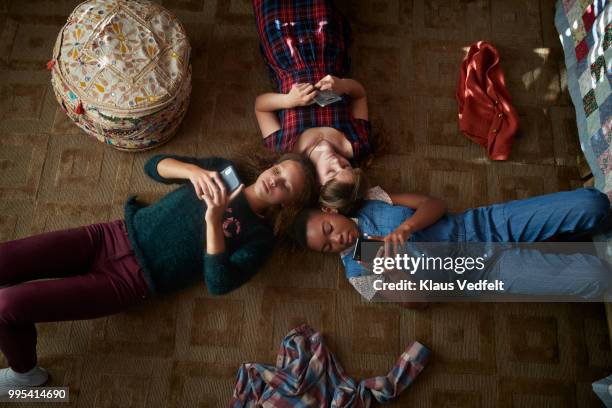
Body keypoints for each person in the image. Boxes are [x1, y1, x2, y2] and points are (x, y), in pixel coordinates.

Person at [0, 152, 317, 395]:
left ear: (289, 203)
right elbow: (153, 166)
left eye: (285, 185)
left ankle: (26, 375)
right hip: (111, 235)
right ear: (269, 165)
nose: (274, 181)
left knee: (7, 305)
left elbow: (219, 283)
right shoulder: (223, 169)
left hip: (132, 280)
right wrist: (192, 171)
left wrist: (213, 221)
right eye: (277, 171)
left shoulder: (260, 239)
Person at [293, 187, 612, 301]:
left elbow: (435, 204)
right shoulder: (357, 274)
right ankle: (568, 247)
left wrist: (406, 228)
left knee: (594, 204)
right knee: (596, 277)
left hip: (486, 225)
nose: (337, 240)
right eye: (327, 246)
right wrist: (393, 273)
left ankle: (572, 234)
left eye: (328, 229)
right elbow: (420, 302)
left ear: (330, 212)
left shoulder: (373, 199)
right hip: (484, 273)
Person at [252, 0, 372, 211]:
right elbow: (360, 95)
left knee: (270, 11)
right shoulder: (356, 142)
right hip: (327, 47)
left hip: (285, 54)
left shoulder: (286, 149)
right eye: (345, 166)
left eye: (331, 172)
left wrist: (288, 101)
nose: (337, 161)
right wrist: (343, 85)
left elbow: (260, 106)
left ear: (317, 182)